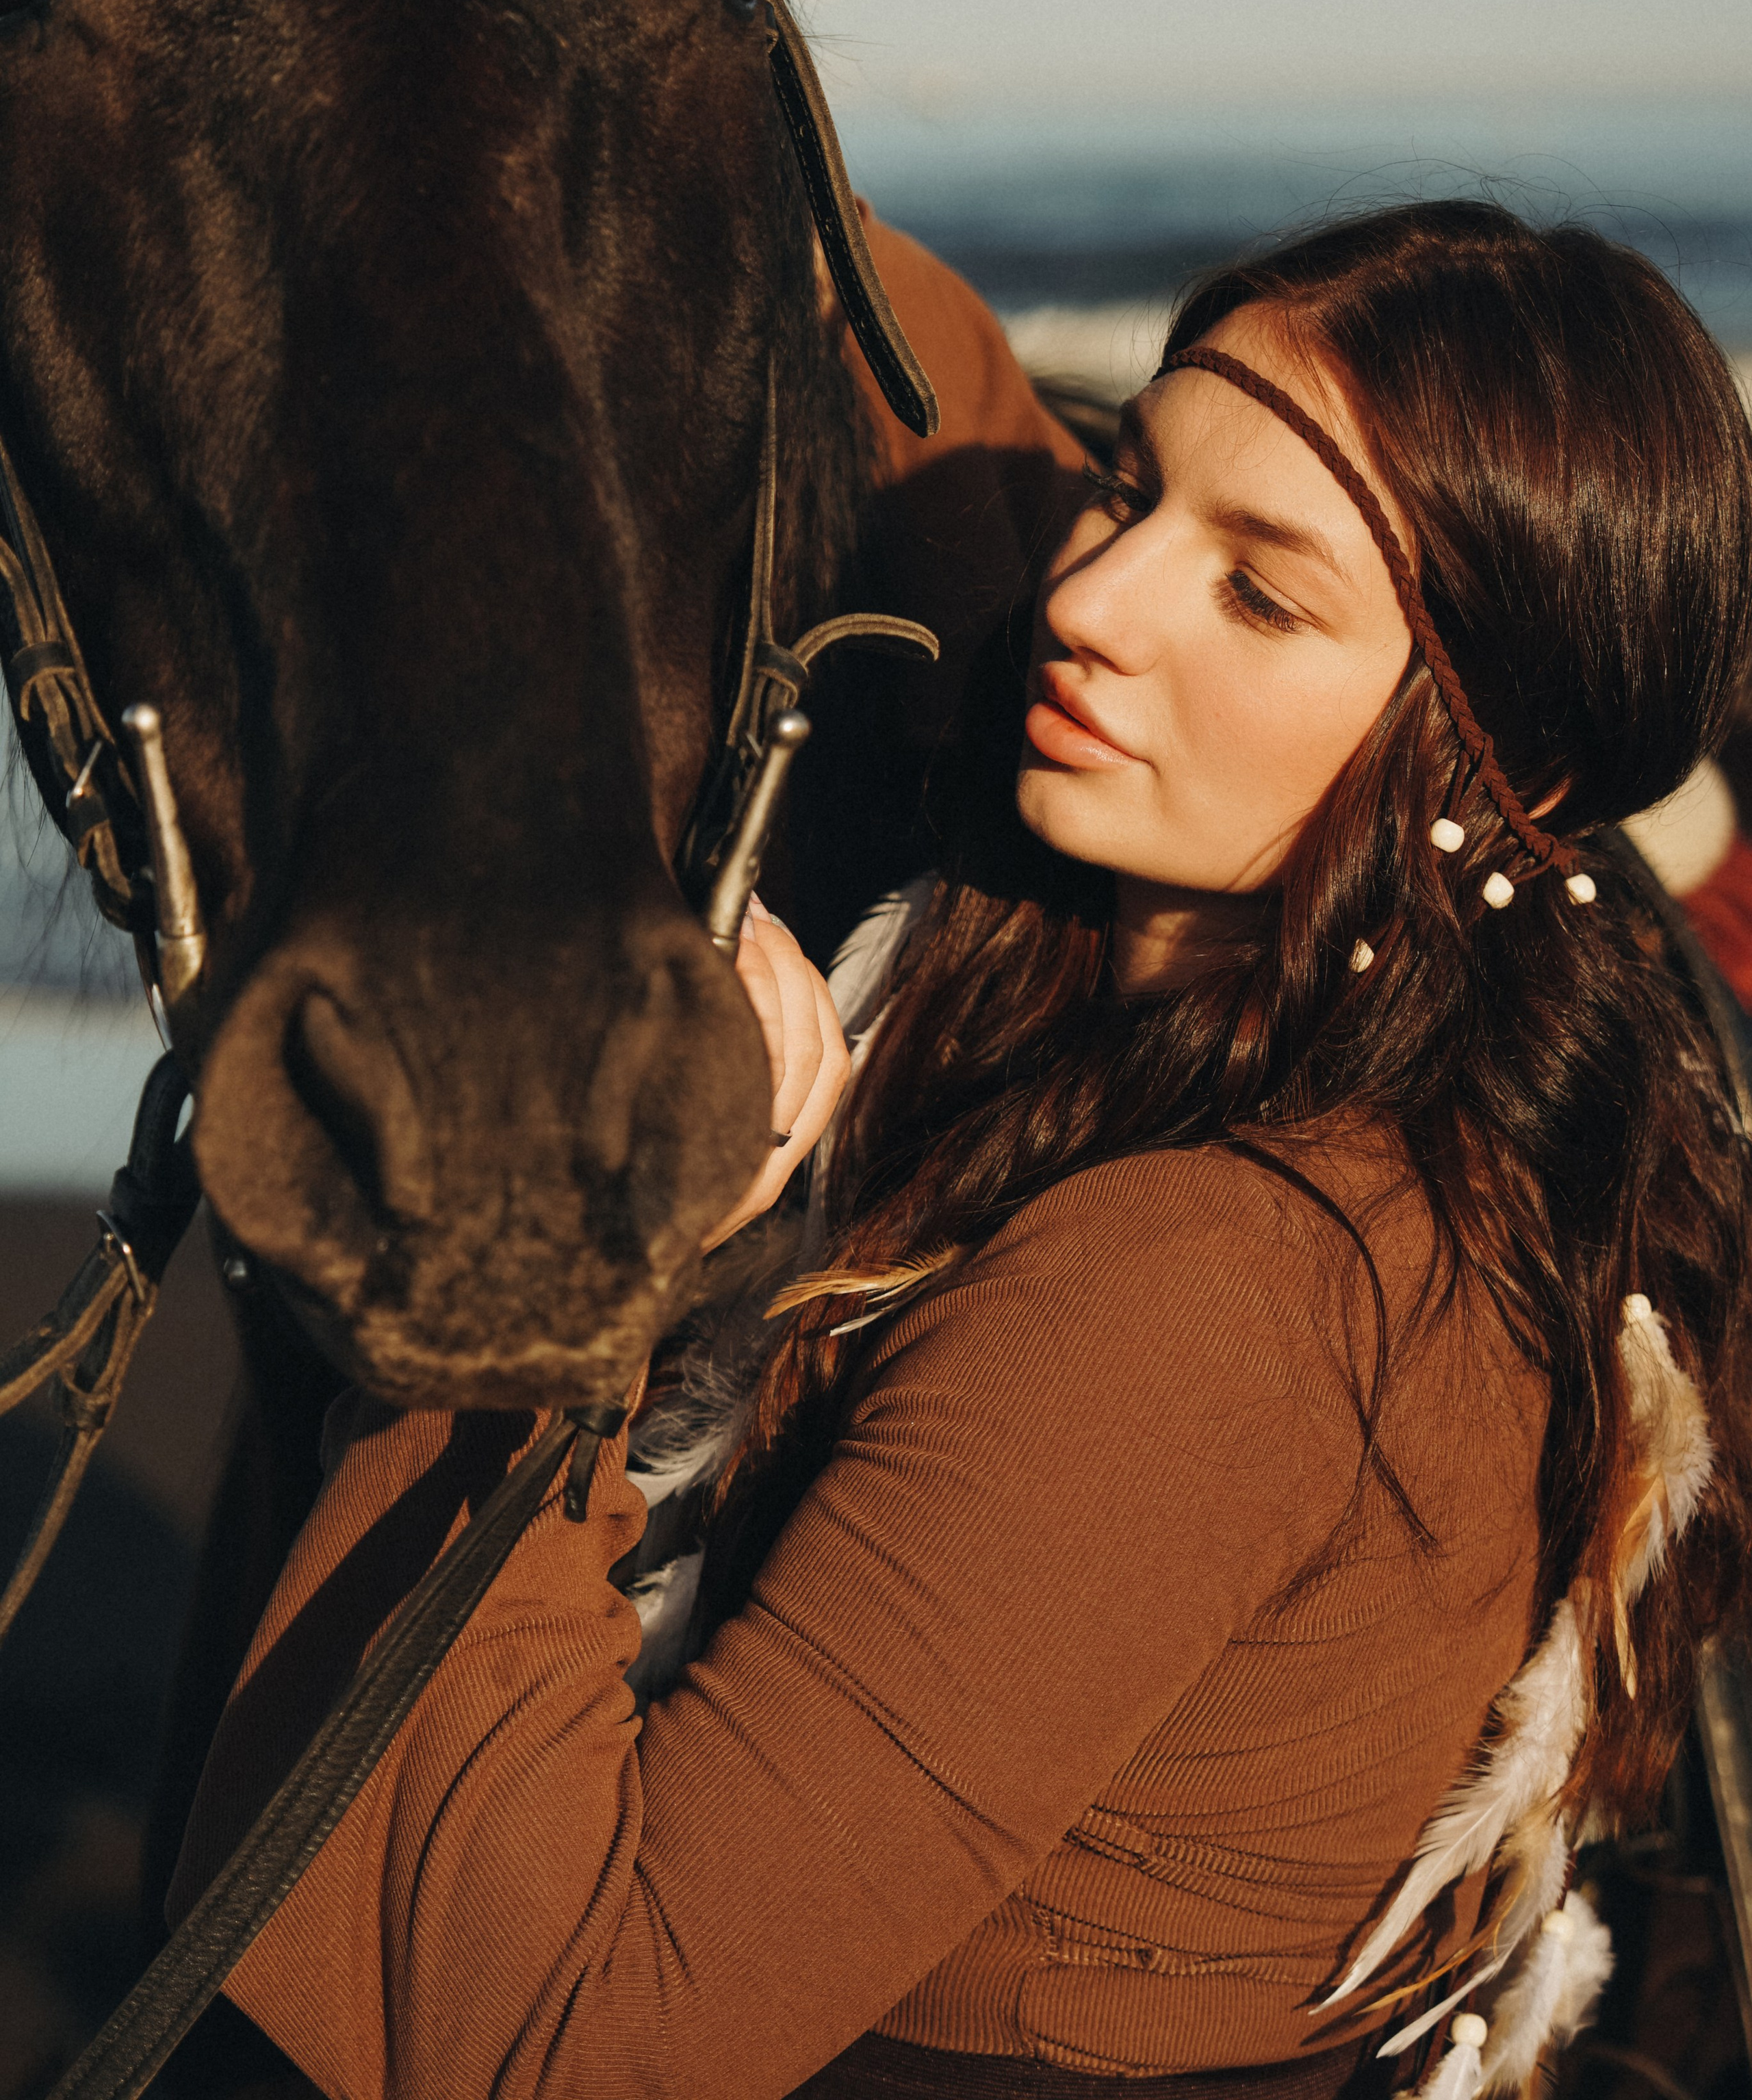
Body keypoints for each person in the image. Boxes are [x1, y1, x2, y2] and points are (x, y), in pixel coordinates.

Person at [168, 201, 1752, 2100]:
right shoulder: (1353, 1088)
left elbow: (555, 2027)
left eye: (1262, 593)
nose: (1097, 598)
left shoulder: (1214, 1287)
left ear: (1509, 766)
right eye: (1125, 482)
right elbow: (909, 371)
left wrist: (562, 1254)